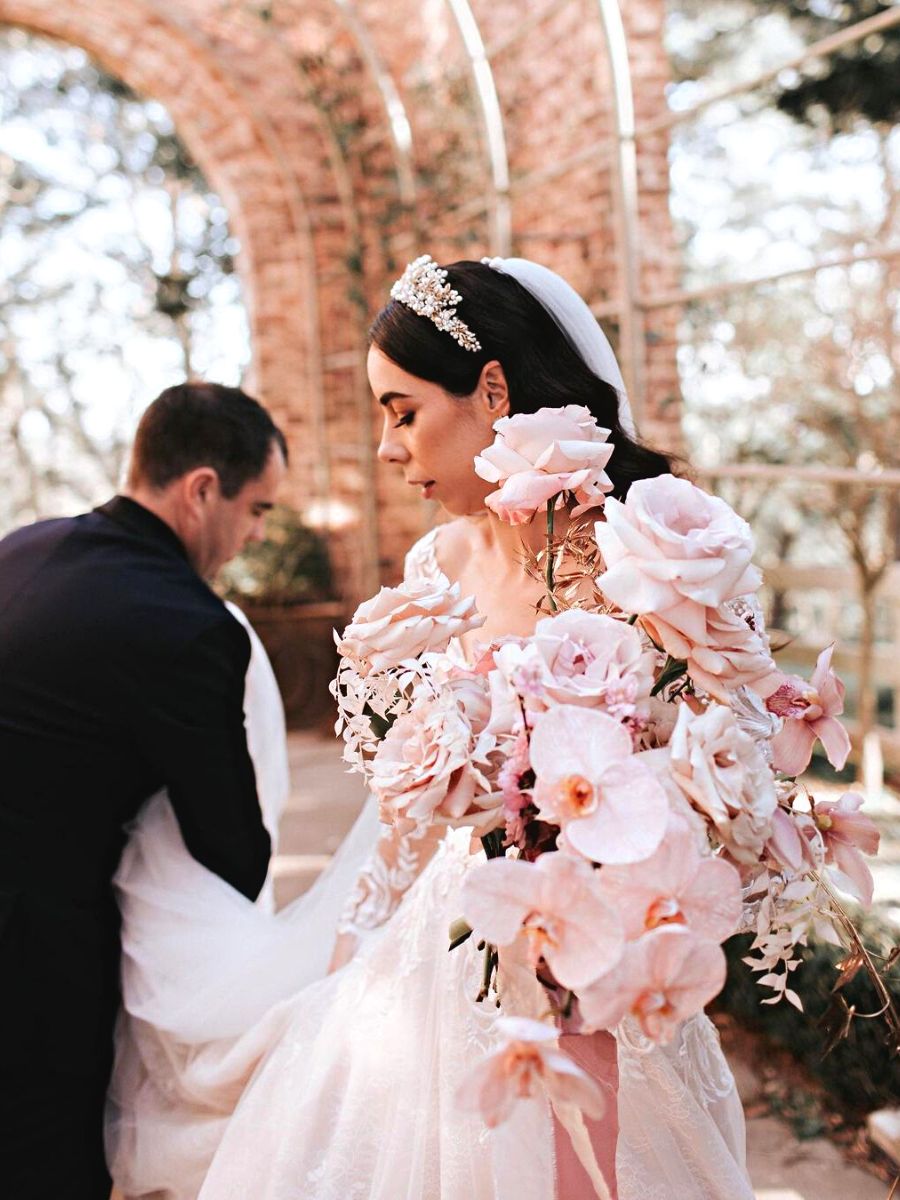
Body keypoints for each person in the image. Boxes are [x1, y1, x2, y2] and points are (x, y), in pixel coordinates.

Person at [109, 260, 756, 1200]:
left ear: (492, 389)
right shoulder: (441, 560)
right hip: (443, 955)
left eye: (402, 411)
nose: (385, 448)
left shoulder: (651, 554)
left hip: (607, 959)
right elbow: (413, 790)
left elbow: (720, 769)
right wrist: (353, 945)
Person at [0, 381, 286, 1199]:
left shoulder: (21, 548)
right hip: (32, 963)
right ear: (202, 490)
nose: (251, 537)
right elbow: (231, 848)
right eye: (257, 510)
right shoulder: (187, 624)